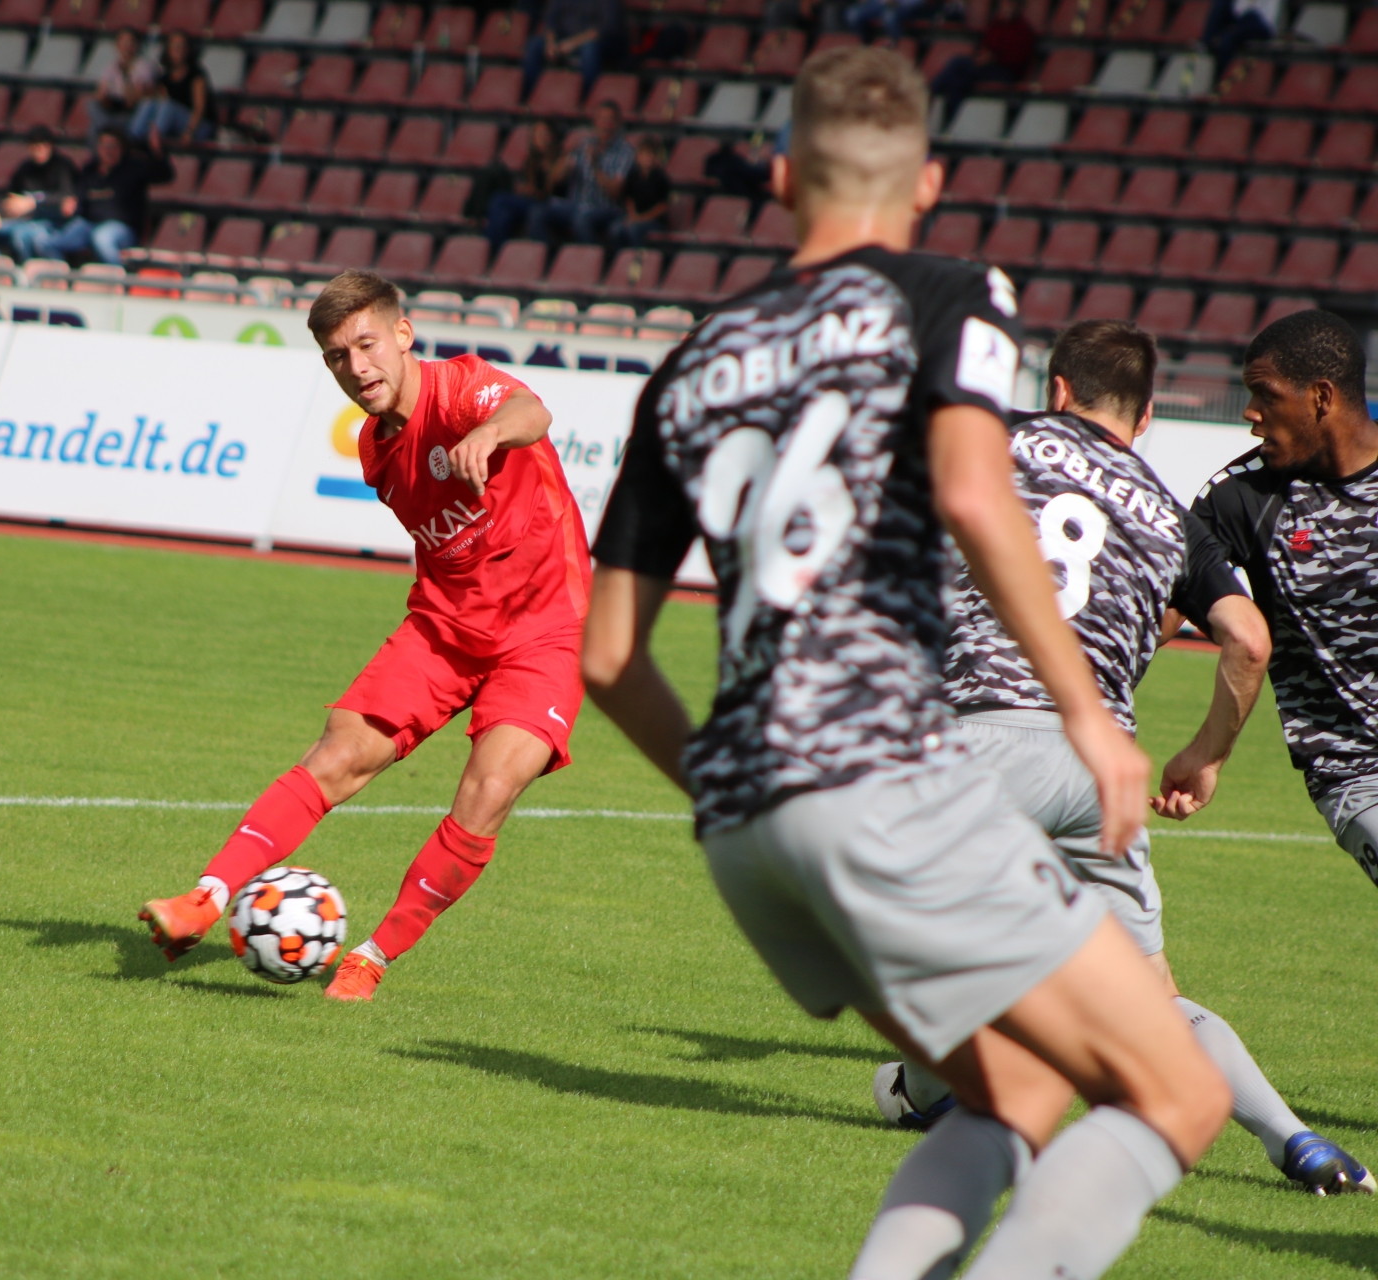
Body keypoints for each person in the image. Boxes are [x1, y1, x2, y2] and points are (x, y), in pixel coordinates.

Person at [582, 48, 1230, 1280]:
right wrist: (1090, 719)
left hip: (745, 824)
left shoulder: (693, 357)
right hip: (881, 768)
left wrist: (740, 786)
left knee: (1014, 1088)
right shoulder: (951, 291)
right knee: (1175, 1093)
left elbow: (608, 656)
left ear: (782, 178)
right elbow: (976, 497)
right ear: (928, 181)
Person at [871, 319, 1373, 1196]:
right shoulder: (1168, 513)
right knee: (1149, 995)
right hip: (1100, 766)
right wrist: (1204, 756)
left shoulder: (998, 437)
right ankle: (1299, 1143)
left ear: (1057, 392)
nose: (1249, 413)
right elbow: (1248, 638)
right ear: (1144, 419)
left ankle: (925, 1091)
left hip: (983, 733)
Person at [140, 269, 591, 1003]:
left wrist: (486, 433)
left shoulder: (464, 388)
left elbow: (530, 411)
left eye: (368, 344)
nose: (356, 367)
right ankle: (205, 898)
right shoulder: (376, 451)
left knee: (489, 790)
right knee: (338, 756)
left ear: (404, 335)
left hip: (546, 633)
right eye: (337, 356)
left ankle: (373, 957)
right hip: (444, 628)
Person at [1171, 311, 1378, 893]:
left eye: (1265, 394)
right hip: (1357, 772)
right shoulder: (1242, 496)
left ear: (1320, 398)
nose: (1250, 412)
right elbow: (1151, 612)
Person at [51, 127, 173, 265]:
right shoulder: (89, 170)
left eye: (114, 146)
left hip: (122, 229)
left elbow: (166, 175)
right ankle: (60, 275)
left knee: (101, 237)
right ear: (98, 148)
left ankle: (120, 275)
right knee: (51, 242)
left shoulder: (134, 168)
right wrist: (72, 205)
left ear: (122, 149)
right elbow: (81, 203)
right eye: (105, 146)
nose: (109, 150)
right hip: (88, 225)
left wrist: (157, 152)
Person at [529, 101, 633, 247]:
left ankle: (594, 258)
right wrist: (567, 157)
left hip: (604, 208)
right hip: (576, 205)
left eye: (609, 120)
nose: (605, 125)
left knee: (582, 220)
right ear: (595, 122)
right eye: (601, 119)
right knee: (537, 213)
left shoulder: (624, 152)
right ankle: (545, 256)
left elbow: (615, 192)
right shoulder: (584, 144)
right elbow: (555, 179)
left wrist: (595, 166)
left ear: (617, 124)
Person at [0, 126, 80, 263]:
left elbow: (67, 199)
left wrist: (33, 202)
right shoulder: (25, 169)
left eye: (43, 144)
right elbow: (9, 197)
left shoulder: (63, 166)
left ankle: (30, 273)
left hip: (53, 223)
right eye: (34, 144)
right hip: (24, 221)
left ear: (50, 145)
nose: (39, 148)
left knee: (22, 235)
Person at [930, 0, 1036, 125]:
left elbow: (1018, 60)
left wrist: (994, 57)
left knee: (959, 64)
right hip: (986, 67)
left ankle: (931, 94)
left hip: (1004, 72)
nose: (1007, 7)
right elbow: (984, 45)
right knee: (958, 79)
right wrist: (982, 57)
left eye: (1011, 4)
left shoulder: (1024, 30)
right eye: (1005, 4)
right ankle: (950, 117)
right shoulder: (996, 24)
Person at [483, 120, 563, 252]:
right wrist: (524, 190)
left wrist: (531, 191)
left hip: (548, 204)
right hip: (531, 200)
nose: (541, 139)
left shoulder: (559, 159)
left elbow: (550, 191)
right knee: (504, 214)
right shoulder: (532, 161)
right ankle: (500, 251)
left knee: (500, 199)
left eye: (544, 134)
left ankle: (493, 249)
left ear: (552, 136)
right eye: (537, 135)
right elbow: (531, 185)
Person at [129, 31, 214, 146]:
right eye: (175, 47)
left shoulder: (196, 75)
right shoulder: (165, 77)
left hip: (199, 126)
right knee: (148, 103)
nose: (179, 50)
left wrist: (190, 131)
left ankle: (154, 139)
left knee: (168, 106)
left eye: (182, 46)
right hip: (176, 125)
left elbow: (199, 109)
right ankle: (134, 138)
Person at [522, 0, 621, 97]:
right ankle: (527, 94)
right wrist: (550, 44)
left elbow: (605, 28)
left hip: (594, 42)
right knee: (534, 44)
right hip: (563, 39)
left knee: (589, 49)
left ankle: (587, 96)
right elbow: (551, 21)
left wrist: (573, 43)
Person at [83, 28, 158, 145]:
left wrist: (125, 75)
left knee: (95, 128)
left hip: (129, 113)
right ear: (117, 46)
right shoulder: (112, 67)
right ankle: (107, 129)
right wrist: (104, 98)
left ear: (137, 45)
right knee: (91, 105)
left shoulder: (143, 67)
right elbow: (100, 94)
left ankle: (107, 130)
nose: (127, 47)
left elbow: (132, 101)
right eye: (123, 43)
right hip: (112, 109)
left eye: (130, 43)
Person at [609, 135, 670, 251]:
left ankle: (638, 258)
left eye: (651, 154)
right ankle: (620, 257)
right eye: (645, 154)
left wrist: (643, 218)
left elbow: (663, 206)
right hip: (636, 218)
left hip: (654, 221)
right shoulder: (633, 176)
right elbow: (629, 198)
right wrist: (633, 215)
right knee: (616, 229)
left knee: (635, 230)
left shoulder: (661, 178)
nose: (649, 158)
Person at [1203, 0, 1280, 74]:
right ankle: (1205, 45)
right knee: (1221, 4)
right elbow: (1238, 10)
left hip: (1261, 22)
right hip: (1243, 19)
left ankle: (1217, 75)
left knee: (1228, 39)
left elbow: (1264, 18)